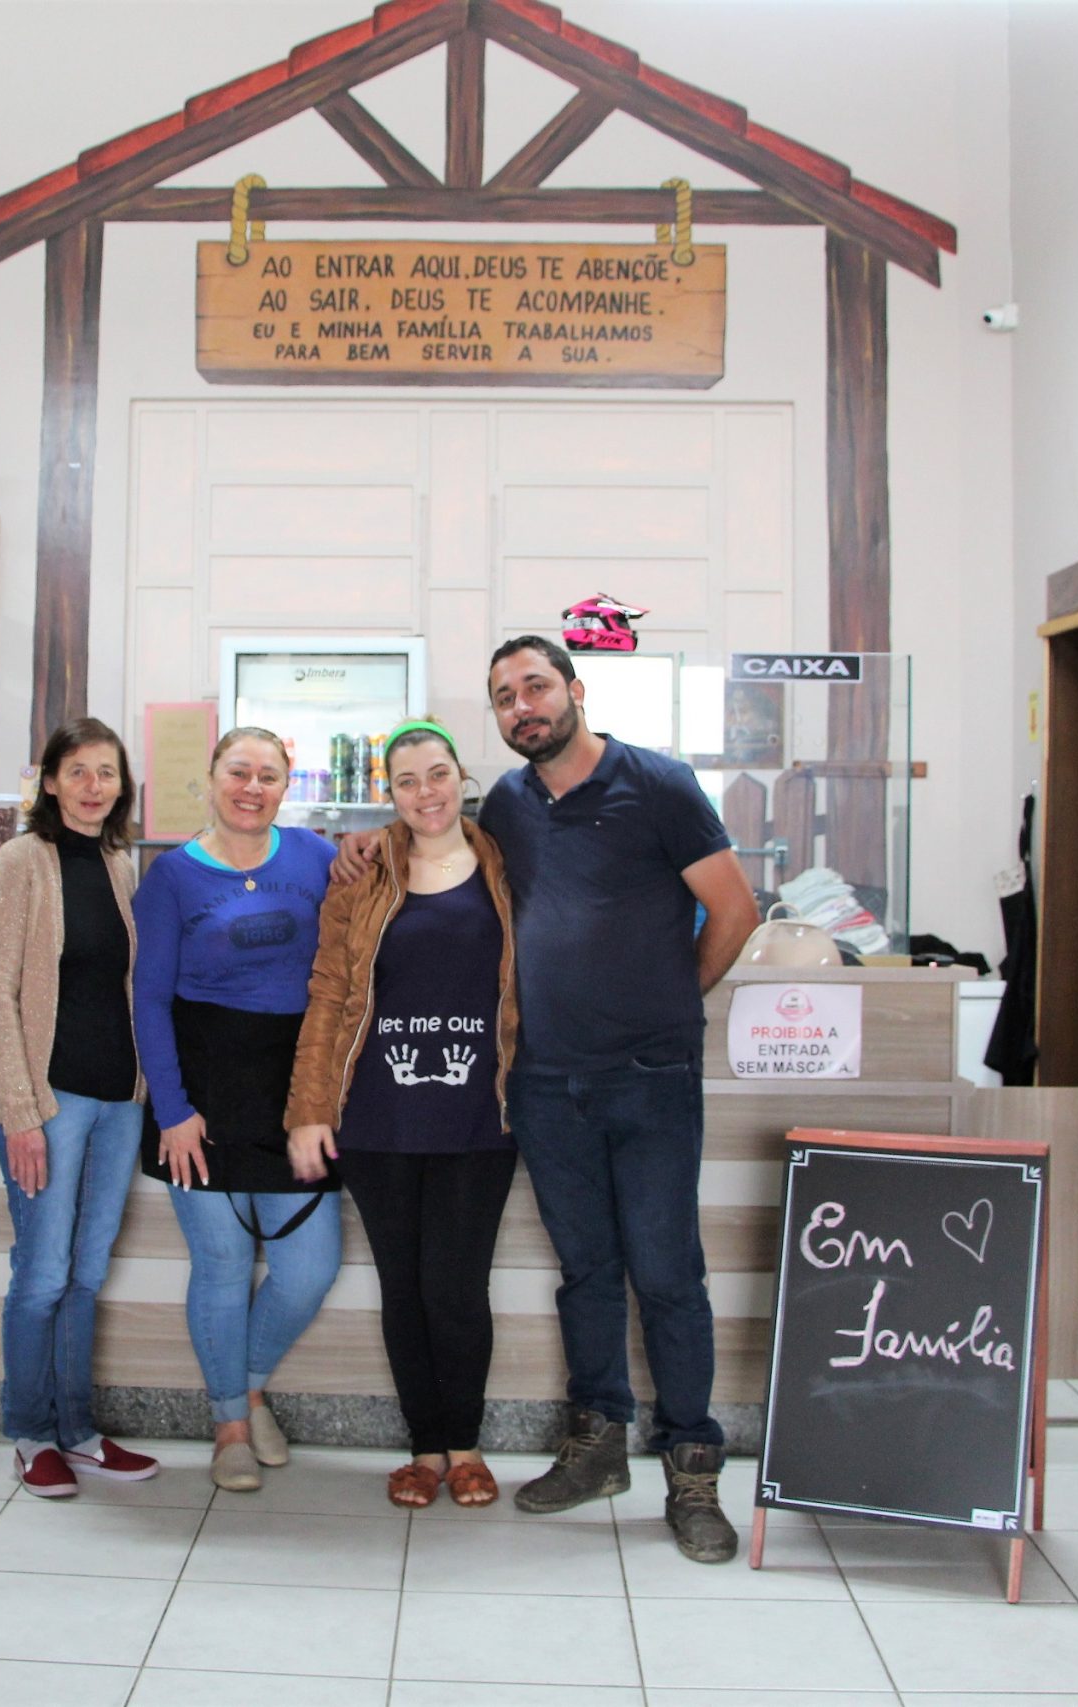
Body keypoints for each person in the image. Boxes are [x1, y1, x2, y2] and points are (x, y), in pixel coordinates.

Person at [331, 638, 760, 1561]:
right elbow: (429, 838)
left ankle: (692, 1471)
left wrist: (670, 1006)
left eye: (535, 686)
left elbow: (735, 909)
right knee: (589, 1273)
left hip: (649, 1079)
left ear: (574, 689)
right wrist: (366, 837)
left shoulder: (659, 783)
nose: (522, 704)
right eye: (503, 696)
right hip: (542, 1083)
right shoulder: (510, 808)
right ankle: (598, 1444)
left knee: (668, 1274)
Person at [286, 720, 519, 1510]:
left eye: (439, 773)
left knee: (457, 1287)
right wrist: (308, 1110)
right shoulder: (363, 870)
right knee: (404, 1287)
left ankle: (467, 1444)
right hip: (378, 1117)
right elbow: (328, 994)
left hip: (477, 1116)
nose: (427, 791)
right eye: (409, 779)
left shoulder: (504, 862)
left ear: (462, 777)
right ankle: (424, 1446)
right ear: (390, 792)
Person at [132, 727, 344, 1492]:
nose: (251, 787)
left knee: (310, 1266)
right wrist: (172, 1111)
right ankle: (229, 1423)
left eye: (268, 775)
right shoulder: (171, 878)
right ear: (211, 778)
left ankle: (249, 1384)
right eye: (238, 771)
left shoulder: (318, 859)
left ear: (286, 786)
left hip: (300, 1094)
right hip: (205, 1092)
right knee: (221, 1264)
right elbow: (149, 998)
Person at [0, 718, 161, 1498]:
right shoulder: (23, 860)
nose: (94, 785)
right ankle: (29, 1430)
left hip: (118, 1099)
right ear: (49, 780)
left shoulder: (120, 863)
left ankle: (78, 1430)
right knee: (42, 1275)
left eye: (107, 772)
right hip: (49, 1101)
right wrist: (21, 1110)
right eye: (78, 771)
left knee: (87, 1274)